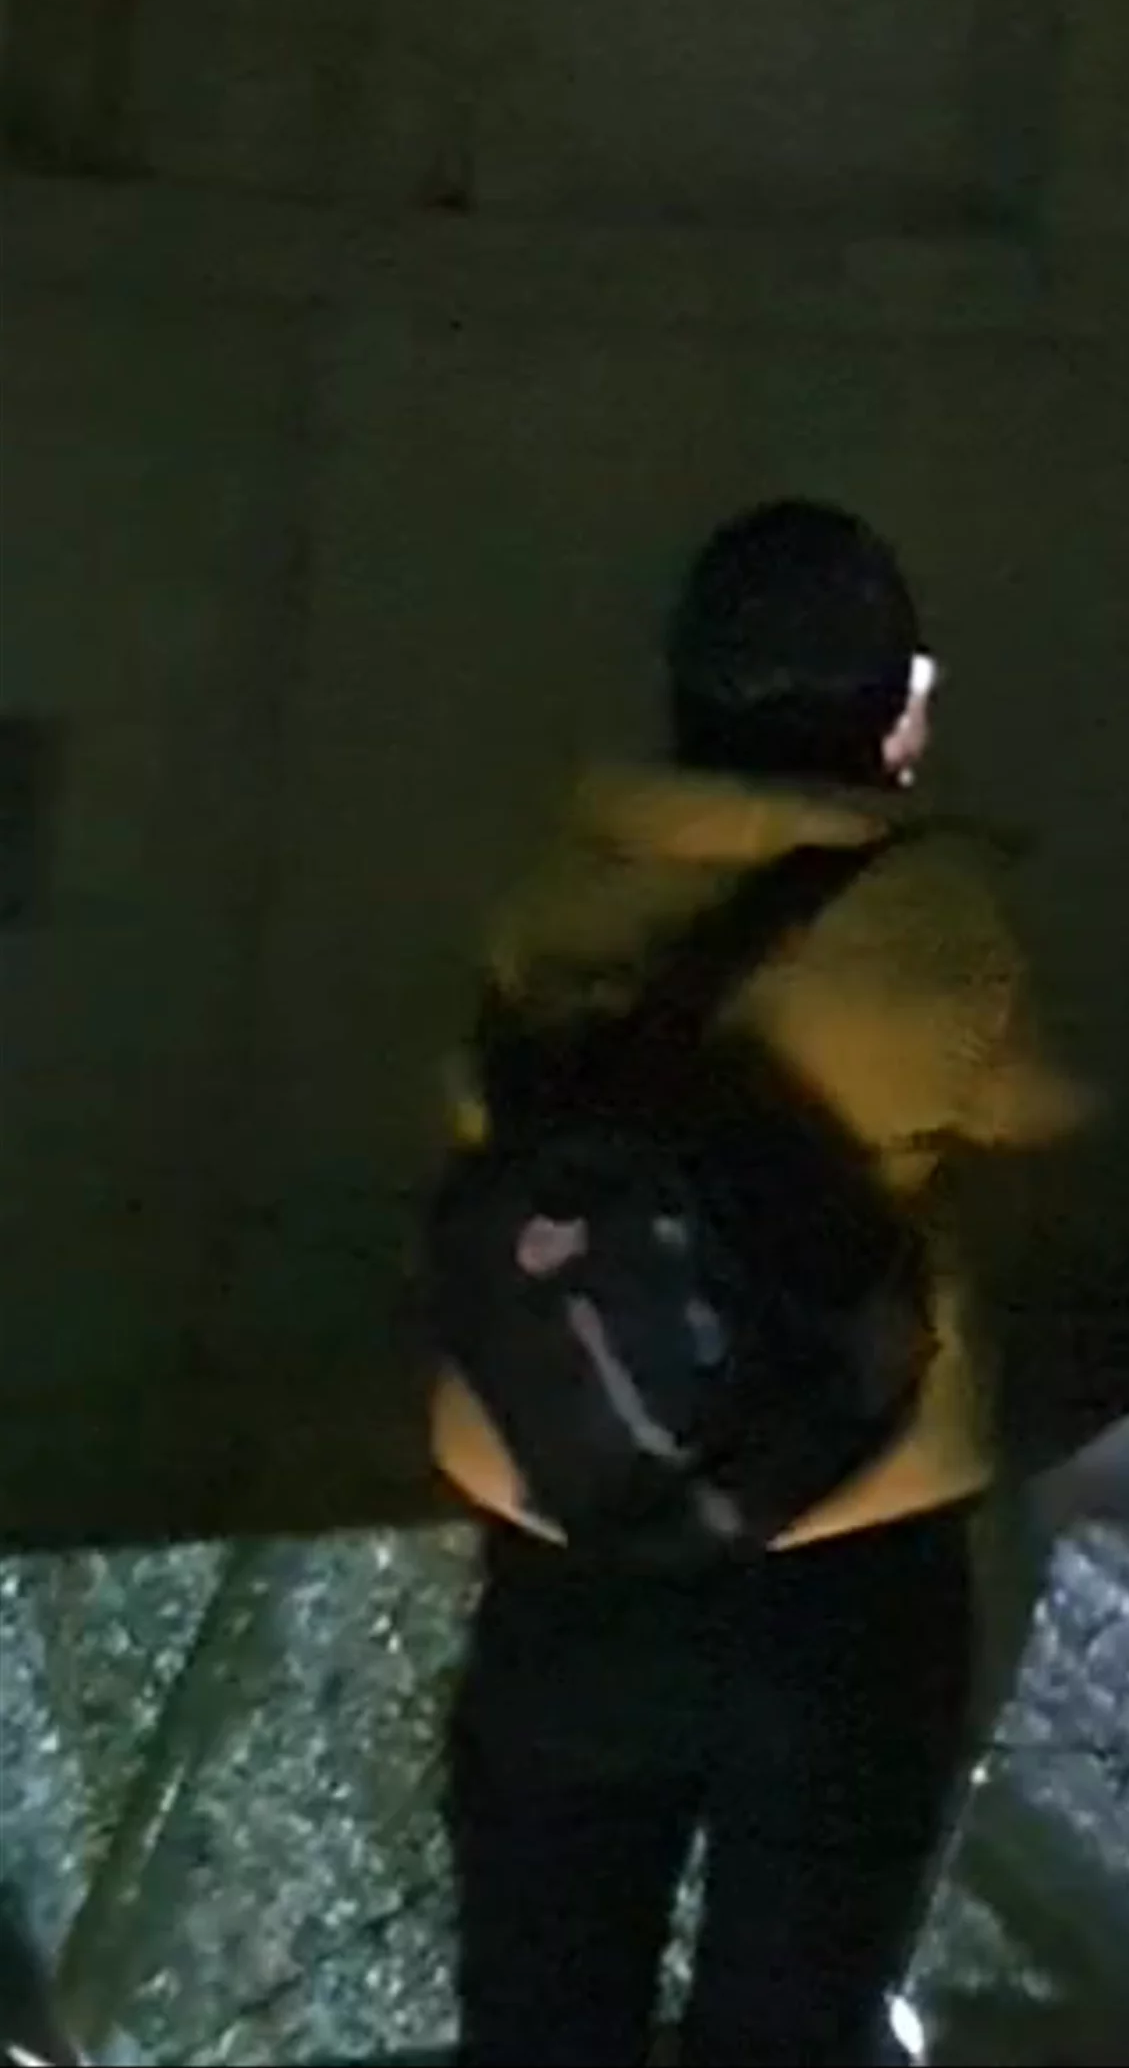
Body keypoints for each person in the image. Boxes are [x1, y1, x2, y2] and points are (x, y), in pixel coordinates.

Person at [433, 497, 1089, 2068]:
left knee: (540, 2012)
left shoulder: (551, 894)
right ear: (886, 704)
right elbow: (1058, 1107)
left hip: (564, 1531)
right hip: (842, 1557)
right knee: (791, 2021)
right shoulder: (939, 921)